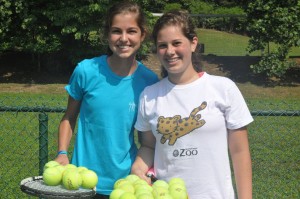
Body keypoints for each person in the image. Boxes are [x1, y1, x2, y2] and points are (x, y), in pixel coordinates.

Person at [131, 10, 253, 199]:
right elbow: (148, 146)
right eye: (162, 45)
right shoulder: (149, 96)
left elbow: (240, 152)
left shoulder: (223, 88)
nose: (170, 51)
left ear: (193, 43)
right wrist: (138, 169)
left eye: (176, 43)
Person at [54, 1, 159, 198]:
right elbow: (69, 118)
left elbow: (148, 142)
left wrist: (140, 171)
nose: (124, 38)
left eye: (132, 31)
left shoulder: (150, 82)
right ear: (107, 34)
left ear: (142, 35)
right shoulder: (86, 70)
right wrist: (62, 153)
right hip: (81, 182)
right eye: (116, 31)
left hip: (126, 185)